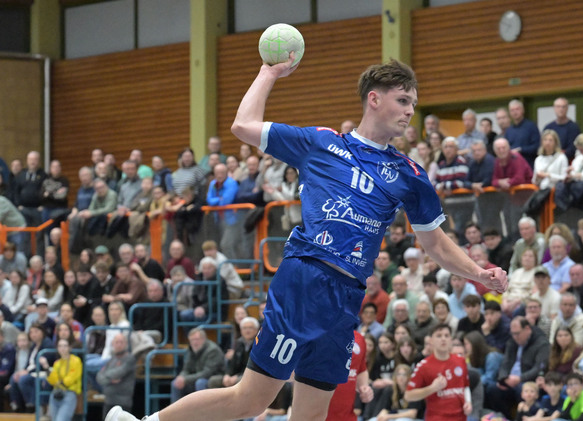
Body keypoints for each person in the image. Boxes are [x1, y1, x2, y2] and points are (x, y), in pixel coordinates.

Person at [108, 59, 506, 421]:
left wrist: (478, 273)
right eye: (402, 101)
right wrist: (268, 73)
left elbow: (435, 244)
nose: (409, 111)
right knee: (251, 399)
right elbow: (243, 125)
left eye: (413, 104)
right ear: (374, 99)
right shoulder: (322, 142)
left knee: (313, 415)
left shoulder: (410, 175)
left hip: (347, 297)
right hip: (304, 280)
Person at [484, 316, 550, 419]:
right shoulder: (512, 341)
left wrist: (520, 378)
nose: (515, 337)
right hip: (511, 379)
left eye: (517, 333)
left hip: (527, 380)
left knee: (524, 390)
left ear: (527, 329)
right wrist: (503, 378)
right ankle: (505, 418)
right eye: (512, 333)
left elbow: (539, 368)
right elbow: (506, 362)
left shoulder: (541, 343)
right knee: (492, 389)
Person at [406, 324, 471, 421]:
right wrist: (432, 388)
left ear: (451, 340)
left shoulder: (460, 361)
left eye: (446, 335)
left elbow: (465, 386)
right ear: (431, 340)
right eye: (439, 336)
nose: (443, 339)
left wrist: (468, 402)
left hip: (460, 418)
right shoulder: (424, 366)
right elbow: (408, 395)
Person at [96, 333, 136, 418]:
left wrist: (106, 375)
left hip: (123, 403)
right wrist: (110, 379)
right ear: (113, 344)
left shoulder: (130, 358)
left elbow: (119, 372)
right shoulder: (111, 359)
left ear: (126, 344)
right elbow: (99, 377)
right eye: (117, 342)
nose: (119, 345)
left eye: (121, 342)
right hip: (108, 401)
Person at [46, 338, 82, 421]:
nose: (62, 348)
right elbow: (52, 380)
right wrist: (46, 367)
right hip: (55, 394)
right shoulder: (57, 363)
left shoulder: (76, 361)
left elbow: (70, 380)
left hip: (69, 394)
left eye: (65, 346)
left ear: (69, 347)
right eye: (60, 346)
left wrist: (58, 382)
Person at [505, 99, 541, 164]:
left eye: (517, 109)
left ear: (523, 110)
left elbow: (537, 146)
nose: (515, 112)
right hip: (513, 164)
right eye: (512, 110)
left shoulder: (531, 126)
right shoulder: (509, 130)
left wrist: (521, 150)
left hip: (528, 163)